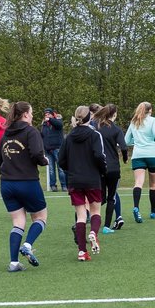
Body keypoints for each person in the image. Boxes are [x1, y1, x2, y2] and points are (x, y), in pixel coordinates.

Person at [0, 101, 50, 271]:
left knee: (18, 221)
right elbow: (37, 153)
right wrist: (44, 161)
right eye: (32, 112)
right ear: (26, 114)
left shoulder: (6, 133)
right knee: (40, 217)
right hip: (27, 182)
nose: (33, 115)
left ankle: (13, 263)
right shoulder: (31, 131)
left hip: (6, 183)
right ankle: (27, 245)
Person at [59, 104, 107, 261]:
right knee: (95, 211)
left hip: (74, 180)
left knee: (80, 216)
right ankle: (93, 232)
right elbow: (100, 156)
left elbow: (61, 161)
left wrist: (70, 169)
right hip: (92, 178)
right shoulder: (95, 135)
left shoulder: (68, 138)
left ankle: (82, 252)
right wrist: (101, 170)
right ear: (90, 118)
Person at [124, 101, 155, 222]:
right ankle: (153, 211)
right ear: (150, 110)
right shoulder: (154, 120)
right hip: (153, 154)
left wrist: (137, 142)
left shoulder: (134, 122)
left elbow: (126, 141)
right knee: (153, 185)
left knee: (138, 183)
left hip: (138, 155)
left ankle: (136, 207)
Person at [94, 104, 128, 233]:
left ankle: (84, 216)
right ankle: (107, 227)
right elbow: (124, 147)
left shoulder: (97, 128)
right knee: (111, 197)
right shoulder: (116, 129)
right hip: (113, 167)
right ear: (115, 114)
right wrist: (125, 158)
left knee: (99, 197)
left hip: (99, 167)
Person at [41, 108, 64, 191]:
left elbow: (59, 125)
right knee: (51, 169)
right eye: (45, 115)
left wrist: (50, 120)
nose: (46, 116)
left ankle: (64, 185)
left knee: (61, 168)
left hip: (57, 148)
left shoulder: (57, 120)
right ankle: (53, 186)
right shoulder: (44, 124)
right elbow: (43, 135)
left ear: (52, 114)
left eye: (48, 114)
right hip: (48, 150)